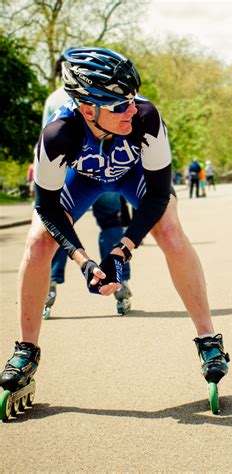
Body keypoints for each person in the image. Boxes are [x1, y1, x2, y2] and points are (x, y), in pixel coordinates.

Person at [0, 47, 229, 400]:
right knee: (36, 241)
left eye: (133, 98)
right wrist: (84, 260)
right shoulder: (57, 134)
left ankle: (208, 338)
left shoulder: (147, 118)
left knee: (169, 230)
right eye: (120, 105)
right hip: (83, 181)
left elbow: (157, 196)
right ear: (88, 107)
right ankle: (26, 351)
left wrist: (123, 249)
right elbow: (47, 207)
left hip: (132, 175)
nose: (132, 109)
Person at [41, 52, 133, 317]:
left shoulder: (53, 99)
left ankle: (49, 285)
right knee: (111, 223)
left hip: (67, 173)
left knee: (57, 228)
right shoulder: (101, 90)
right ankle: (120, 282)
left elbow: (47, 139)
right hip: (104, 168)